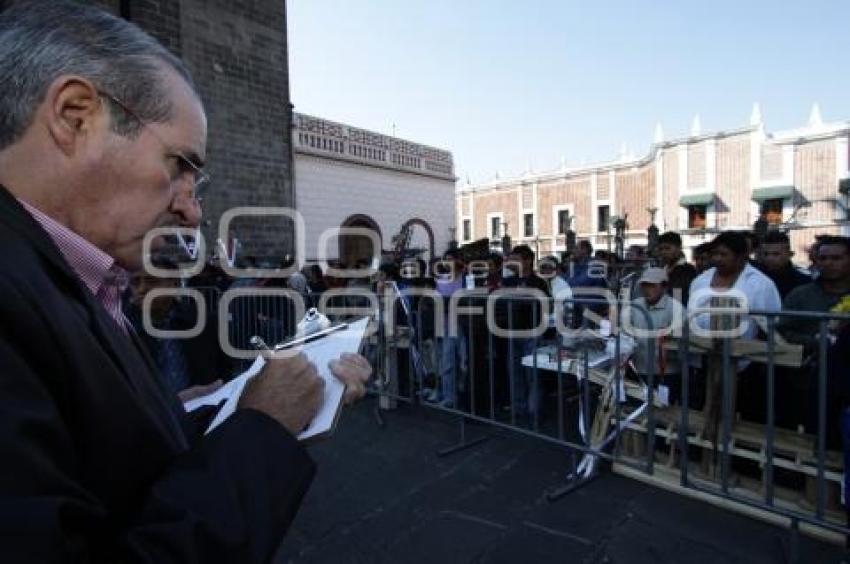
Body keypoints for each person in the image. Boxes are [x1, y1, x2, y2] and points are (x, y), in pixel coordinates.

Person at [0, 3, 370, 561]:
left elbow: (104, 466)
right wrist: (261, 428)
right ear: (75, 116)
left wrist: (191, 412)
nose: (193, 213)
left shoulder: (73, 277)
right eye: (179, 166)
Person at [624, 268, 684, 404]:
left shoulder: (676, 309)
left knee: (663, 412)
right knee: (636, 410)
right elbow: (625, 332)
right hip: (638, 369)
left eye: (651, 285)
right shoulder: (634, 306)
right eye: (644, 285)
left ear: (664, 287)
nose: (646, 289)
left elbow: (679, 341)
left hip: (666, 373)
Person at [757, 230, 811, 300]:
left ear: (789, 254)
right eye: (766, 254)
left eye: (776, 254)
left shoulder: (804, 282)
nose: (769, 258)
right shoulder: (755, 280)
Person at [655, 231, 697, 305]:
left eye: (667, 248)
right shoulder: (661, 270)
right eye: (661, 249)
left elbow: (678, 296)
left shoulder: (687, 270)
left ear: (679, 248)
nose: (663, 252)